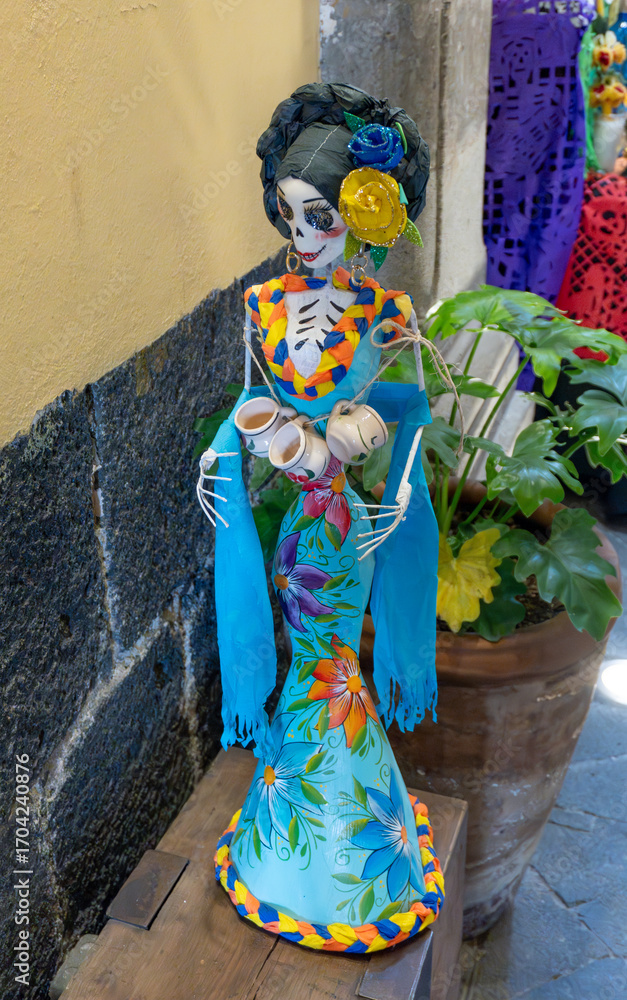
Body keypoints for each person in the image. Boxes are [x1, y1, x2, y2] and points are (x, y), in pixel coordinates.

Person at [199, 83, 444, 952]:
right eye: (294, 215)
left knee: (336, 643)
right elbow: (251, 405)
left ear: (365, 220)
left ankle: (341, 810)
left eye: (326, 219)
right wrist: (240, 449)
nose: (306, 236)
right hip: (300, 515)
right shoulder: (262, 309)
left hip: (350, 523)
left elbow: (408, 414)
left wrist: (376, 459)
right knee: (308, 640)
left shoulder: (386, 313)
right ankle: (302, 800)